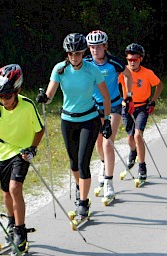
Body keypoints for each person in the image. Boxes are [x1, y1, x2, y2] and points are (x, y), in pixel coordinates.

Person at [36, 33, 111, 219]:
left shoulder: (92, 70)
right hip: (68, 121)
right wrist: (44, 98)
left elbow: (106, 96)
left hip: (89, 119)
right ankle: (80, 187)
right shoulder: (60, 69)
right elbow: (50, 93)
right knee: (73, 163)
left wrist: (107, 120)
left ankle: (84, 203)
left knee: (83, 162)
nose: (74, 57)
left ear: (83, 52)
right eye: (70, 53)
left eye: (77, 53)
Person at [0, 64, 45, 253]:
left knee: (15, 188)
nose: (3, 100)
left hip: (22, 151)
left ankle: (21, 232)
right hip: (2, 151)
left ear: (18, 90)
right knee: (6, 192)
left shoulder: (27, 105)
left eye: (7, 96)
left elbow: (40, 130)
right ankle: (12, 223)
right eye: (0, 96)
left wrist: (32, 148)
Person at [85, 30, 133, 199]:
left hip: (113, 106)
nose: (94, 50)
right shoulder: (86, 63)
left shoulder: (114, 63)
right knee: (98, 143)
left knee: (107, 142)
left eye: (98, 46)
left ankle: (109, 183)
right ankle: (104, 163)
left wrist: (128, 95)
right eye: (91, 46)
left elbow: (128, 75)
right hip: (93, 107)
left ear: (105, 47)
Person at [119, 43, 164, 182]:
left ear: (141, 59)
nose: (132, 62)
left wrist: (153, 101)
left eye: (135, 59)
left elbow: (159, 85)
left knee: (138, 135)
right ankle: (133, 152)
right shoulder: (123, 72)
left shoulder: (147, 73)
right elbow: (114, 86)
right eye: (129, 60)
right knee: (130, 137)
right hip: (127, 107)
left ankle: (142, 166)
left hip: (142, 107)